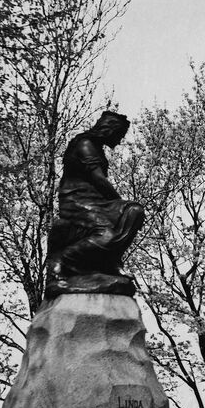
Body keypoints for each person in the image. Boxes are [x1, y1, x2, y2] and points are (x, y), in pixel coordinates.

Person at [46, 110, 145, 295]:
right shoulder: (85, 144)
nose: (120, 140)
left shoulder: (96, 147)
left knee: (134, 211)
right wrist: (118, 202)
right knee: (107, 234)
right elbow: (99, 179)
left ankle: (110, 260)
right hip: (77, 202)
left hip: (96, 202)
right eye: (119, 135)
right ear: (109, 130)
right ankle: (65, 258)